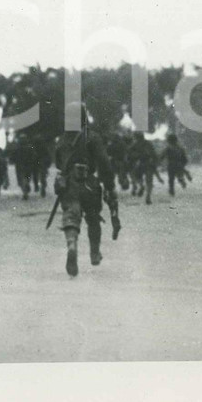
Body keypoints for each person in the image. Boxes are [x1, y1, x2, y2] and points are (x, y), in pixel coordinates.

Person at [53, 102, 117, 277]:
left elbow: (58, 163)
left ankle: (72, 244)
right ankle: (94, 252)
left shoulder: (61, 139)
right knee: (93, 218)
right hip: (89, 184)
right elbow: (104, 162)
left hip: (69, 185)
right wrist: (110, 186)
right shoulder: (92, 137)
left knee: (71, 216)